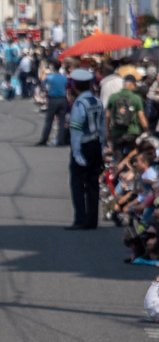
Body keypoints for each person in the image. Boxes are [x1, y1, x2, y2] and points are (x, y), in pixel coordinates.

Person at [68, 69, 107, 231]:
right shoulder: (97, 101)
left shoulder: (79, 104)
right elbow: (103, 126)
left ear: (76, 86)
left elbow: (76, 129)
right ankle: (92, 220)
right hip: (96, 145)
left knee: (77, 182)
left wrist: (76, 153)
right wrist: (103, 147)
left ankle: (81, 219)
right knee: (93, 183)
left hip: (84, 145)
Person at [107, 74, 148, 163]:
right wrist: (146, 130)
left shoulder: (113, 97)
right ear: (132, 84)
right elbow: (141, 118)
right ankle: (129, 172)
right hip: (132, 133)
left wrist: (108, 133)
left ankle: (117, 174)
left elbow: (107, 116)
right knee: (132, 158)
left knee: (118, 158)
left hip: (117, 133)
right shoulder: (136, 98)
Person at [37, 64, 70, 147]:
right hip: (62, 99)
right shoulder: (64, 77)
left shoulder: (50, 77)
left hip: (53, 99)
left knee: (49, 120)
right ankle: (61, 140)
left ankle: (44, 139)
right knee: (61, 121)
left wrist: (44, 72)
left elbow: (43, 82)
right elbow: (68, 84)